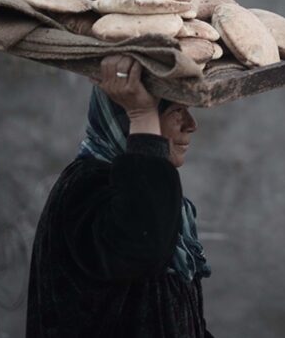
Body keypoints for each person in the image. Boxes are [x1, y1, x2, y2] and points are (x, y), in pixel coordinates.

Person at [26, 55, 214, 337]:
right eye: (177, 111)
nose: (191, 124)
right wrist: (142, 115)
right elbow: (143, 246)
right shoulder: (85, 187)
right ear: (127, 120)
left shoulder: (138, 188)